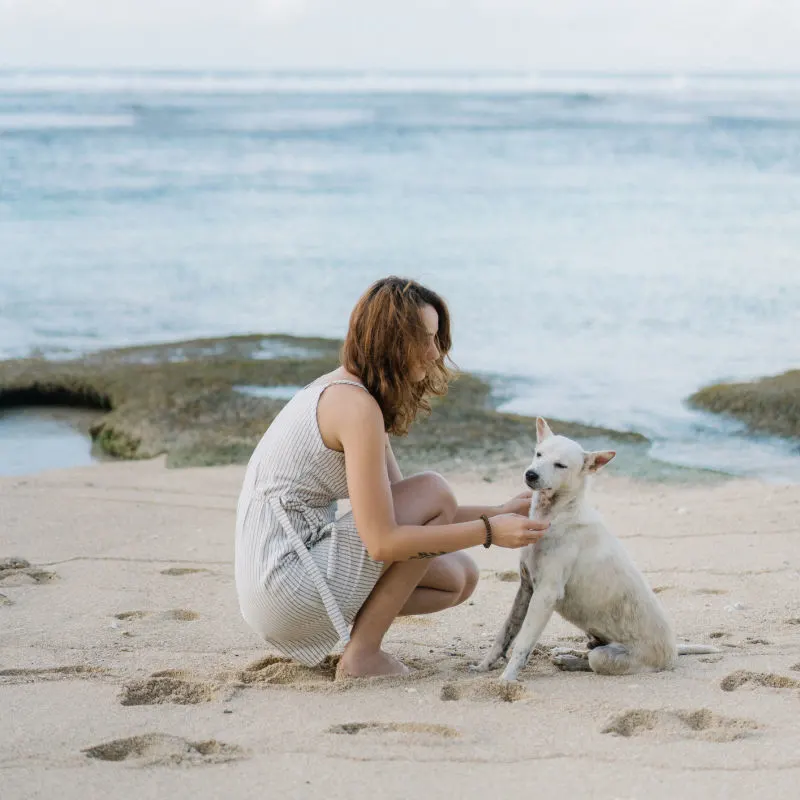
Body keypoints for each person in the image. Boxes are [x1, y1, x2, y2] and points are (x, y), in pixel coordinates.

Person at [235, 276, 548, 678]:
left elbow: (405, 512)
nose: (435, 353)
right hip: (287, 582)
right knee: (433, 488)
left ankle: (359, 642)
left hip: (278, 586)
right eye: (426, 339)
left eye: (437, 339)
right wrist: (489, 531)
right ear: (391, 341)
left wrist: (499, 511)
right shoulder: (354, 405)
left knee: (457, 577)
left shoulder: (354, 396)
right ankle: (362, 654)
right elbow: (384, 541)